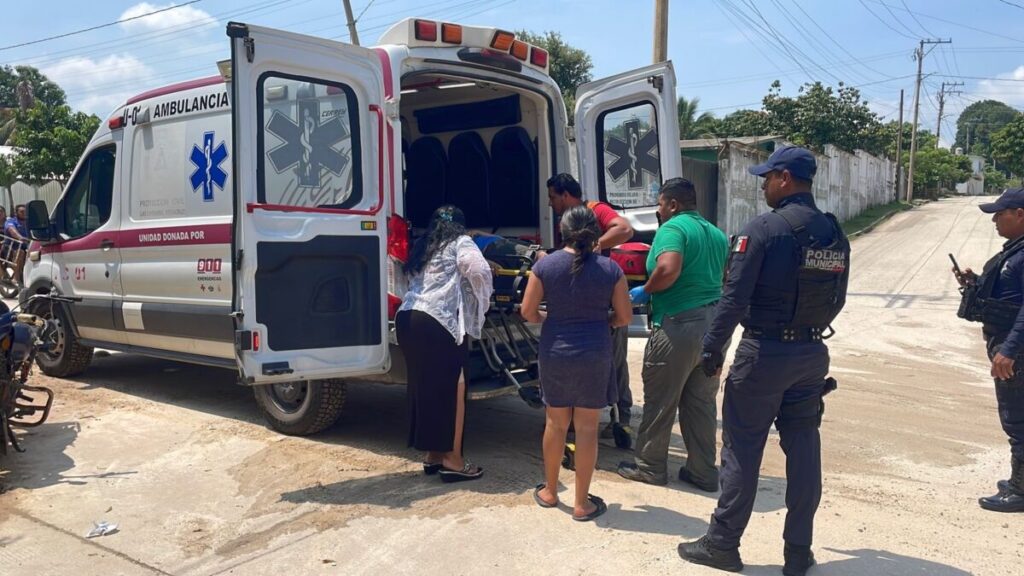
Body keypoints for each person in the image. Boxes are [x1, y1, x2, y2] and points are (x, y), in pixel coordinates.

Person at [678, 146, 850, 576]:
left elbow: (734, 300)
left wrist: (712, 349)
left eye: (767, 177)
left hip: (765, 354)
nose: (763, 185)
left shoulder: (764, 229)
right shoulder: (833, 233)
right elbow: (838, 298)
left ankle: (722, 544)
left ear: (786, 178)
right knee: (805, 447)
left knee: (741, 449)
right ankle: (797, 552)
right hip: (811, 354)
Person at [616, 178, 729, 490]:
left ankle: (650, 468)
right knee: (701, 403)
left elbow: (667, 268)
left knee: (661, 400)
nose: (658, 210)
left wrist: (646, 290)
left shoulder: (673, 228)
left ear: (673, 204)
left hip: (679, 325)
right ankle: (703, 472)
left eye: (661, 204)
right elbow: (725, 275)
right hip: (714, 324)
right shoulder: (716, 233)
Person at [521, 205, 632, 521]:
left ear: (562, 231)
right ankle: (582, 503)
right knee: (586, 428)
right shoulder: (610, 270)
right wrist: (599, 320)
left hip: (555, 352)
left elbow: (528, 312)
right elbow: (623, 317)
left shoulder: (546, 266)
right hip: (595, 354)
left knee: (555, 424)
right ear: (595, 233)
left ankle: (551, 491)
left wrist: (550, 317)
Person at [396, 205, 493, 483]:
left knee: (425, 389)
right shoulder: (460, 242)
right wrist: (481, 299)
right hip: (437, 322)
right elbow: (478, 269)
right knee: (453, 389)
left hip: (408, 318)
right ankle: (453, 460)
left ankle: (433, 455)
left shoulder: (424, 245)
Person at [547, 173, 636, 437]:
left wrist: (596, 246)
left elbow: (625, 229)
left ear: (565, 195)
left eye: (553, 197)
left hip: (602, 297)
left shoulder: (594, 210)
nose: (551, 204)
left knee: (615, 359)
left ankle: (622, 419)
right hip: (579, 298)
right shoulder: (564, 222)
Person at [953, 187, 1024, 513]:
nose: (995, 219)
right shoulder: (1015, 251)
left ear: (1020, 214)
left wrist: (1009, 349)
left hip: (1015, 347)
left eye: (1000, 213)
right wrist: (976, 283)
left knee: (1017, 418)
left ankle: (1020, 491)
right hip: (1007, 341)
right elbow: (1008, 294)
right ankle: (1018, 479)